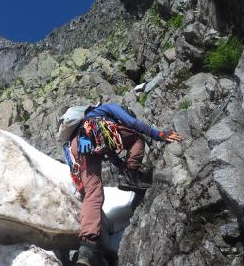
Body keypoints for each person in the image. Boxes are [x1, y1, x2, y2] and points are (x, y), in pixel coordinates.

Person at [66, 102, 182, 266]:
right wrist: (158, 134)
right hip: (97, 131)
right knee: (137, 138)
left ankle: (86, 250)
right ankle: (131, 176)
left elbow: (111, 154)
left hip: (77, 146)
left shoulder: (84, 122)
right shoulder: (109, 107)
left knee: (93, 193)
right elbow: (132, 124)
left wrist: (122, 167)